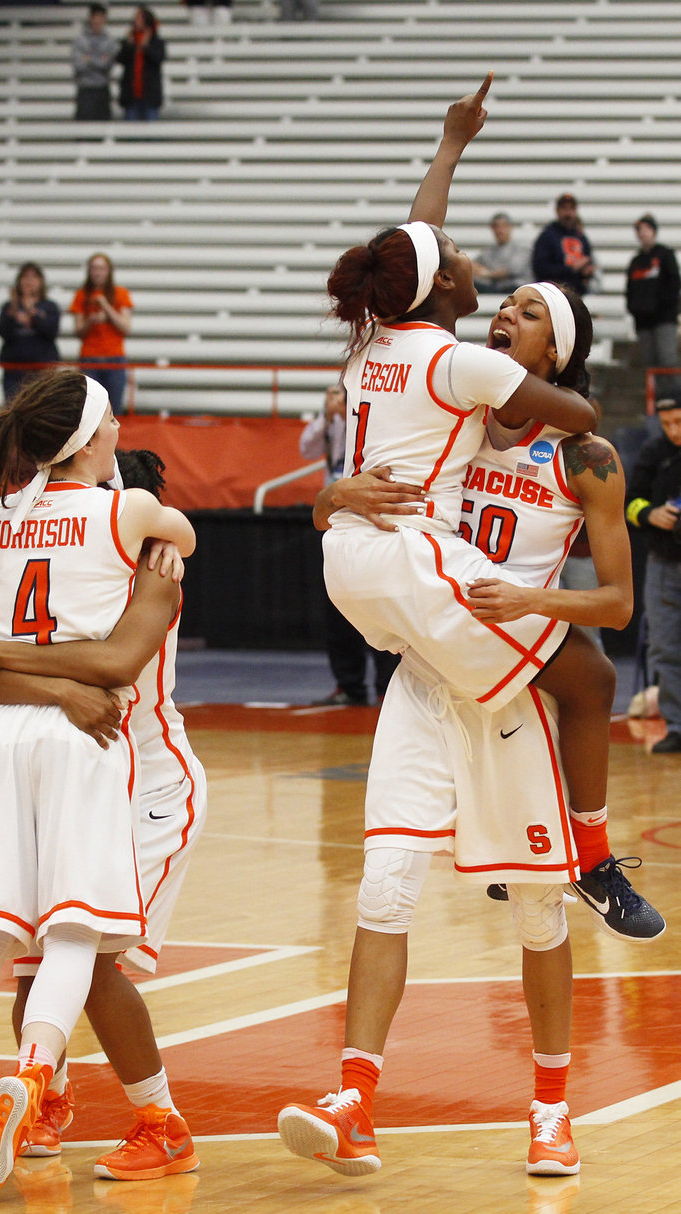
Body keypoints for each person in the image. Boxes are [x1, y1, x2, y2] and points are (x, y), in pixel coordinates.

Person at [276, 78, 661, 1180]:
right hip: (430, 661)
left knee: (538, 912)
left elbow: (615, 612)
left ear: (559, 346)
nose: (506, 312)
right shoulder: (451, 399)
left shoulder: (580, 456)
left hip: (513, 679)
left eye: (531, 311)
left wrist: (536, 601)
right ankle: (354, 1097)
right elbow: (414, 272)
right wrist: (333, 493)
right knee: (384, 884)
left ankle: (551, 1107)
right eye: (504, 304)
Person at [0, 370, 196, 1200]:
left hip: (2, 736)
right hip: (81, 740)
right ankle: (31, 1084)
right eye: (109, 426)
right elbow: (176, 542)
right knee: (75, 943)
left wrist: (12, 664)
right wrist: (65, 683)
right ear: (92, 439)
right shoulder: (124, 515)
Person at [0, 447, 206, 1180]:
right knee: (35, 965)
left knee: (90, 962)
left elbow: (109, 667)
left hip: (152, 789)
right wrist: (42, 679)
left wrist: (8, 659)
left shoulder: (154, 576)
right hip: (78, 780)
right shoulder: (55, 575)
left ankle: (163, 1125)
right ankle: (48, 1100)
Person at [301, 385, 399, 705]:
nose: (340, 400)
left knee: (378, 600)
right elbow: (306, 448)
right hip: (334, 512)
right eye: (333, 394)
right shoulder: (331, 422)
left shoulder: (376, 415)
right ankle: (348, 685)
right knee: (336, 601)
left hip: (371, 514)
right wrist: (328, 418)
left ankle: (388, 685)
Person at [626, 394, 681, 753]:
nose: (674, 430)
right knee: (665, 648)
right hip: (662, 564)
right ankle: (677, 726)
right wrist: (650, 515)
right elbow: (630, 503)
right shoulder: (653, 453)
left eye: (679, 422)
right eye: (667, 424)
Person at [71, 254, 132, 413]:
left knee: (114, 409)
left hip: (114, 358)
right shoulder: (81, 295)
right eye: (94, 268)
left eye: (102, 268)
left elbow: (125, 327)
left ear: (109, 271)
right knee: (90, 410)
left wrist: (105, 305)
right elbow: (78, 331)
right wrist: (91, 320)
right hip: (89, 358)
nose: (98, 273)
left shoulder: (121, 293)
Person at [625, 213, 681, 375]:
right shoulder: (636, 261)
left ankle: (673, 397)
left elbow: (674, 283)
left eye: (646, 228)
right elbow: (630, 289)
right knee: (649, 361)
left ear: (653, 230)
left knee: (667, 357)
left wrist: (662, 305)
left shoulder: (665, 255)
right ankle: (654, 398)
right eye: (639, 230)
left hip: (664, 318)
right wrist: (635, 309)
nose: (642, 233)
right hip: (643, 320)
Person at [0, 263, 60, 402]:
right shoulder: (9, 307)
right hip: (14, 369)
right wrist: (13, 314)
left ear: (41, 282)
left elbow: (51, 332)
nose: (29, 282)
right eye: (25, 277)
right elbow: (3, 332)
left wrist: (33, 314)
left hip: (42, 369)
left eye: (34, 277)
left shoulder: (49, 307)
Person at [531, 194, 597, 296]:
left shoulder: (581, 237)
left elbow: (588, 260)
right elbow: (541, 268)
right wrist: (571, 269)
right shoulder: (547, 236)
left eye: (571, 209)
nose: (568, 213)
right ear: (557, 211)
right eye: (564, 208)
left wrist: (586, 272)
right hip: (553, 292)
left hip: (577, 293)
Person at [117, 7, 166, 121]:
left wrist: (146, 47)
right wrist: (128, 46)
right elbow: (120, 59)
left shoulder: (156, 41)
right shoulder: (130, 40)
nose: (136, 21)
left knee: (151, 132)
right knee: (131, 133)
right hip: (131, 96)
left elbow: (159, 58)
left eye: (139, 18)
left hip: (150, 96)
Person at [72, 3, 118, 121]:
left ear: (105, 19)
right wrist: (98, 60)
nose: (98, 21)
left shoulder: (109, 41)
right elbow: (78, 66)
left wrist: (89, 59)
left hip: (102, 89)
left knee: (103, 127)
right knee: (84, 129)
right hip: (85, 90)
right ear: (90, 18)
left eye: (101, 17)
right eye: (96, 17)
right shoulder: (80, 40)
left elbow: (107, 65)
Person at [472, 212, 532, 294]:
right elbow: (472, 264)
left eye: (504, 226)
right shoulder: (489, 251)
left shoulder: (521, 247)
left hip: (516, 287)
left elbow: (512, 270)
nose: (500, 230)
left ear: (510, 227)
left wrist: (486, 273)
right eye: (497, 226)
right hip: (496, 288)